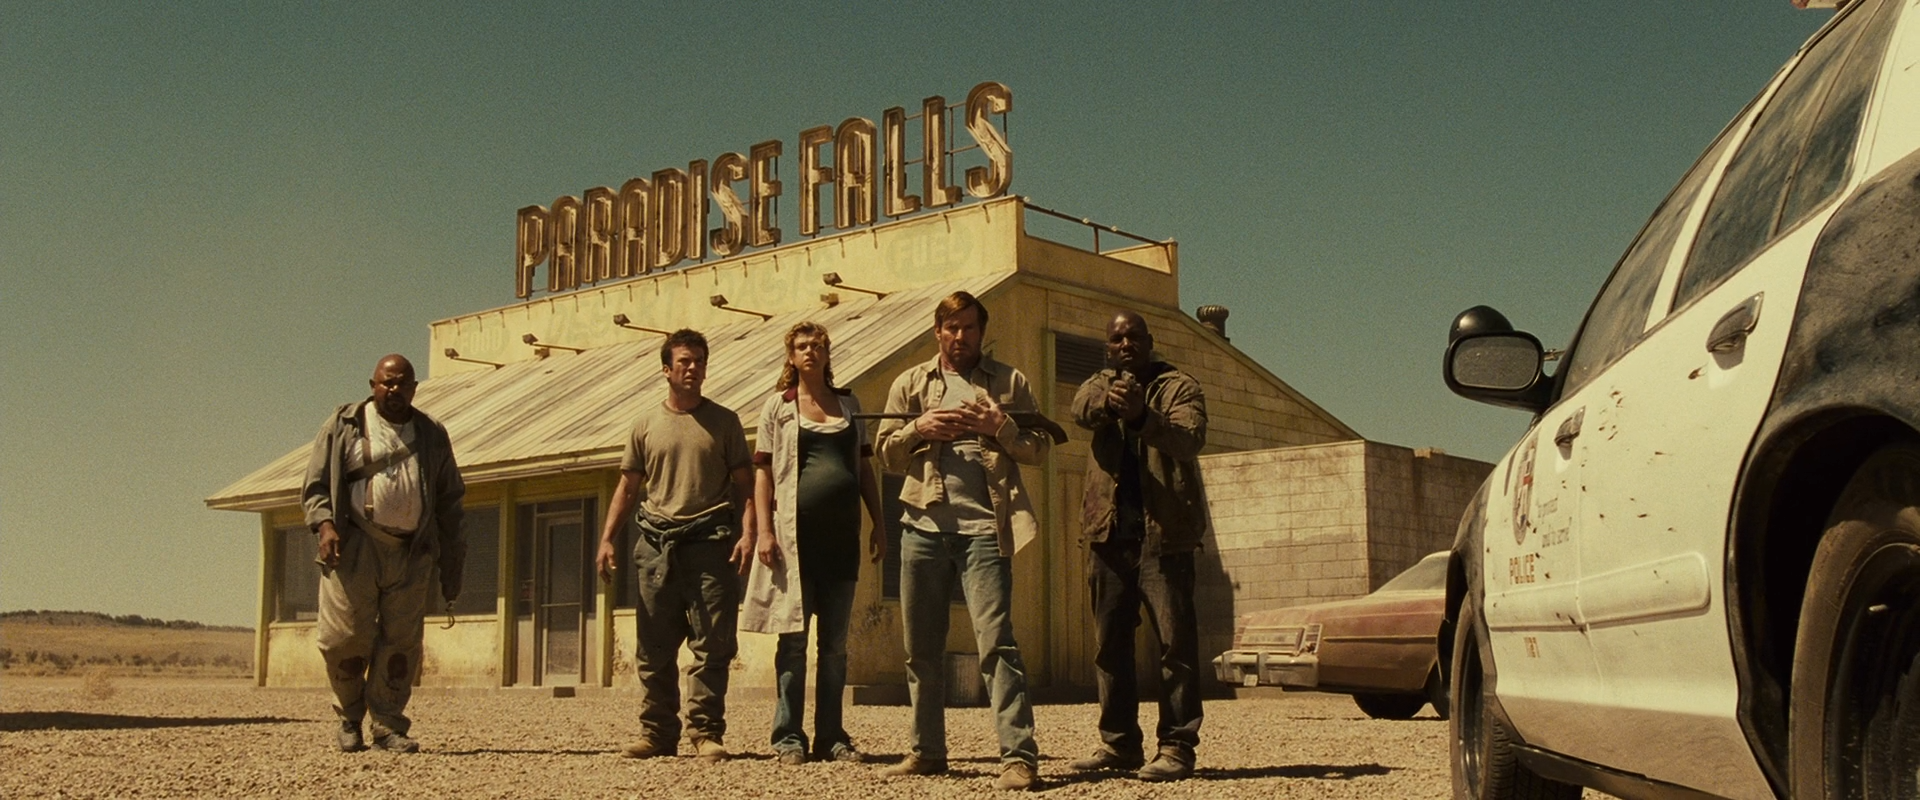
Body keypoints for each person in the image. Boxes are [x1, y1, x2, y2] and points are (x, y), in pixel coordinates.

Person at [873, 291, 1049, 792]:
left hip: (986, 531)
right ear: (937, 331)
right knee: (921, 650)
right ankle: (927, 751)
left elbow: (1038, 449)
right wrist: (918, 428)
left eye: (969, 327)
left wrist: (1001, 427)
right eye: (951, 328)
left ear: (981, 332)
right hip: (922, 529)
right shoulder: (910, 383)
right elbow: (885, 455)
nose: (960, 336)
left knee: (997, 645)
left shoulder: (1010, 382)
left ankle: (1018, 757)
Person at [596, 328, 756, 763]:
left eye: (699, 361)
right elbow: (628, 487)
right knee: (654, 647)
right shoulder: (645, 424)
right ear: (666, 369)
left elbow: (745, 485)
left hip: (710, 544)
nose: (693, 368)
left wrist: (748, 533)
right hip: (656, 544)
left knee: (713, 644)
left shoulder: (725, 422)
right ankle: (657, 733)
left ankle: (705, 732)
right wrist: (607, 538)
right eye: (684, 361)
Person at [1067, 310, 1208, 781]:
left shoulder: (1179, 387)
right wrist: (1112, 407)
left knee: (1175, 649)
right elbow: (1079, 410)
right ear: (1108, 347)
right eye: (1117, 338)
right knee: (1110, 647)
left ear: (1149, 341)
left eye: (1133, 337)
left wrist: (1144, 417)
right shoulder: (1097, 384)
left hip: (1165, 538)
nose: (1125, 344)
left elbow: (1189, 439)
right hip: (1108, 536)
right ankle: (1120, 744)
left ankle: (1177, 747)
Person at [740, 321, 887, 765]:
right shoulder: (779, 407)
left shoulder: (849, 405)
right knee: (793, 643)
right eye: (802, 346)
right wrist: (764, 530)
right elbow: (763, 473)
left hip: (841, 542)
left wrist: (879, 522)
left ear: (827, 352)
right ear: (791, 356)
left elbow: (864, 469)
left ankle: (831, 737)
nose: (811, 351)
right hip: (794, 543)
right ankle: (788, 736)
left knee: (835, 647)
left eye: (818, 345)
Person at [303, 353, 466, 754]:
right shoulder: (344, 425)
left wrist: (452, 561)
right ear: (372, 385)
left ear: (414, 388)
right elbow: (316, 485)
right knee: (343, 639)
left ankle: (388, 724)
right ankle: (349, 716)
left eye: (403, 383)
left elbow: (450, 500)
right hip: (355, 546)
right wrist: (325, 525)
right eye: (387, 382)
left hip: (411, 551)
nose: (394, 390)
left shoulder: (431, 433)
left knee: (401, 644)